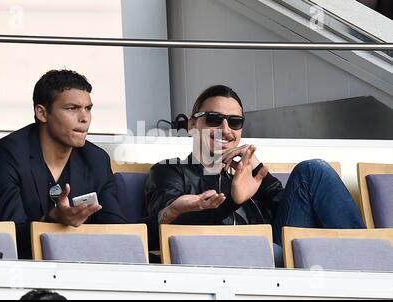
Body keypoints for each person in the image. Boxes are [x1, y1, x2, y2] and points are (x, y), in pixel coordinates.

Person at [145, 85, 366, 264]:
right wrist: (232, 200)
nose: (226, 129)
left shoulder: (245, 174)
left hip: (275, 252)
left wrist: (260, 172)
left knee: (313, 170)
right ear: (193, 124)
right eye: (214, 118)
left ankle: (368, 259)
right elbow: (160, 225)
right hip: (225, 257)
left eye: (235, 122)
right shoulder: (170, 170)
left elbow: (293, 215)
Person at [0, 69, 127, 259]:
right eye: (72, 108)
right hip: (8, 272)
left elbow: (119, 232)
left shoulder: (96, 160)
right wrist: (52, 220)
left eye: (88, 108)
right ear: (42, 113)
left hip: (77, 269)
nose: (84, 118)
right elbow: (7, 237)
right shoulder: (6, 154)